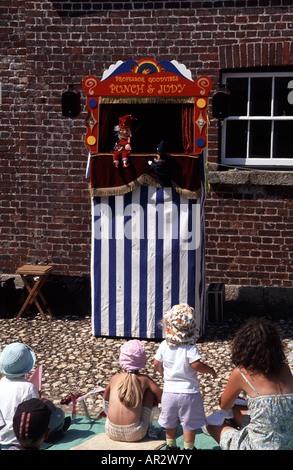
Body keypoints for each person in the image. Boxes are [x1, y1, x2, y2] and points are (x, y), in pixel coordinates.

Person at [206, 317, 293, 450]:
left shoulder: (241, 373)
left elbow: (223, 404)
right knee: (237, 409)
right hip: (288, 442)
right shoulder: (285, 368)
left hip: (258, 446)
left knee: (211, 424)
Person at [154, 304, 217, 450]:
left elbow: (157, 363)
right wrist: (210, 370)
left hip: (169, 392)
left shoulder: (164, 345)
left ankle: (170, 446)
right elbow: (196, 365)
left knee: (170, 422)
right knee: (189, 423)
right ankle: (189, 448)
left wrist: (162, 373)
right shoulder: (190, 347)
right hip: (189, 393)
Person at [0, 342, 70, 447]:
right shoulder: (28, 387)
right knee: (59, 413)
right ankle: (52, 434)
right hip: (22, 438)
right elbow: (35, 416)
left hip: (2, 436)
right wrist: (38, 399)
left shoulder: (2, 382)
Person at [103, 339, 162, 442]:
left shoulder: (114, 378)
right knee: (149, 393)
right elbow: (162, 398)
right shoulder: (144, 380)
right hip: (135, 433)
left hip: (111, 431)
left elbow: (106, 397)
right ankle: (151, 427)